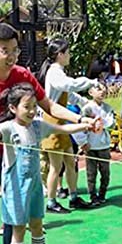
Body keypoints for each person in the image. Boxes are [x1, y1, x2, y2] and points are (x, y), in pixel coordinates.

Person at [0, 23, 97, 244]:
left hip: (17, 151)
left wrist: (80, 119)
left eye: (14, 50)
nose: (10, 56)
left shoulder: (21, 75)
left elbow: (49, 105)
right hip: (5, 144)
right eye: (3, 50)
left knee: (15, 208)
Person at [38, 38, 98, 214]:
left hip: (61, 122)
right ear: (60, 55)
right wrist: (90, 81)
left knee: (70, 162)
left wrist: (86, 103)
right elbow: (69, 85)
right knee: (56, 167)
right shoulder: (54, 72)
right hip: (52, 122)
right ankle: (51, 201)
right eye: (67, 52)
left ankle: (73, 197)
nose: (69, 55)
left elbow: (70, 95)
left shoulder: (59, 72)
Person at [81, 81, 115, 206]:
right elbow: (81, 126)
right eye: (98, 89)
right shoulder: (87, 109)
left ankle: (102, 194)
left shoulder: (108, 108)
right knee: (91, 172)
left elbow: (111, 123)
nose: (102, 91)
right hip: (91, 146)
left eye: (103, 89)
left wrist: (102, 123)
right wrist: (83, 143)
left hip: (104, 146)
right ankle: (93, 196)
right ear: (90, 92)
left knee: (105, 172)